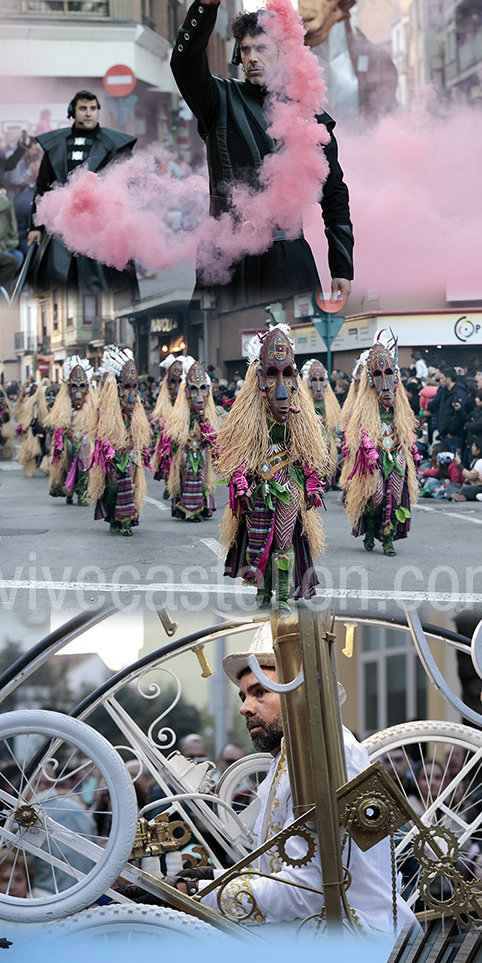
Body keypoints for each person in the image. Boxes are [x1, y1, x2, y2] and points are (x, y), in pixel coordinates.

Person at [193, 622, 415, 931]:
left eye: (260, 692)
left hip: (355, 942)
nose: (245, 708)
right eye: (243, 696)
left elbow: (306, 891)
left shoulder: (325, 754)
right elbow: (281, 874)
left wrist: (201, 894)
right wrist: (209, 881)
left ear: (299, 694)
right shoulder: (290, 756)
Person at [170, 0, 354, 303]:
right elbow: (183, 65)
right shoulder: (218, 100)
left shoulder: (311, 116)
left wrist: (341, 266)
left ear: (283, 54)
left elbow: (334, 196)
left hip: (288, 260)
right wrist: (204, 8)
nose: (252, 57)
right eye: (246, 49)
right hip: (227, 260)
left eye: (262, 48)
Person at [217, 324, 328, 612]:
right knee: (258, 539)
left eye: (287, 374)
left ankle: (282, 596)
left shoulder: (301, 415)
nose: (280, 386)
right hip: (259, 484)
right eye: (271, 373)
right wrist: (241, 483)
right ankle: (263, 590)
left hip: (287, 483)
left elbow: (308, 453)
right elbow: (238, 454)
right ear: (259, 377)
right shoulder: (248, 415)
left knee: (283, 538)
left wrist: (312, 482)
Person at [28, 90, 137, 295]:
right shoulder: (56, 145)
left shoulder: (115, 144)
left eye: (93, 108)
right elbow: (43, 186)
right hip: (61, 225)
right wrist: (35, 227)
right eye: (83, 108)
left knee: (104, 288)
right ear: (73, 111)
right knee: (59, 283)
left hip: (102, 229)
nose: (88, 113)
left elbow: (128, 186)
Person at [340, 335, 420, 556]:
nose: (385, 384)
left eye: (388, 373)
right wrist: (370, 450)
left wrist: (414, 450)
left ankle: (388, 540)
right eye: (377, 374)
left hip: (396, 454)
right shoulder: (366, 406)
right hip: (375, 456)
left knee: (395, 497)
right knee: (376, 498)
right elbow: (363, 430)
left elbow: (406, 430)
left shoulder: (401, 406)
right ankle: (370, 529)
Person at [88, 346, 152, 535]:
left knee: (130, 485)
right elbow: (101, 433)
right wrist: (110, 450)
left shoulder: (136, 408)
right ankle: (114, 519)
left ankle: (128, 521)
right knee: (113, 487)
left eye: (134, 387)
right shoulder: (106, 408)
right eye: (126, 387)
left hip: (130, 453)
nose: (131, 392)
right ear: (118, 387)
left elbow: (140, 431)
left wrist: (141, 446)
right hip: (113, 454)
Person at [161, 361, 219, 521]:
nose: (198, 396)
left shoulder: (210, 415)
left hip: (202, 450)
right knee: (185, 477)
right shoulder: (179, 415)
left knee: (202, 477)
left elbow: (213, 439)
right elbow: (174, 435)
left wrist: (204, 422)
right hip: (185, 449)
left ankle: (201, 508)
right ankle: (185, 508)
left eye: (202, 388)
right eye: (193, 389)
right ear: (187, 392)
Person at [45, 355, 95, 505]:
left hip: (84, 439)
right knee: (66, 464)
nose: (78, 391)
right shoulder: (64, 407)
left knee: (84, 464)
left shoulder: (92, 407)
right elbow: (57, 425)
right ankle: (68, 491)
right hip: (69, 439)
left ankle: (82, 494)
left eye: (82, 386)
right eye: (74, 386)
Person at [151, 355, 193, 492]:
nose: (176, 386)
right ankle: (170, 481)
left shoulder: (190, 395)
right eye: (172, 381)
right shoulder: (165, 400)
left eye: (179, 381)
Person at [300, 358, 342, 488]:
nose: (318, 386)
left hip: (326, 435)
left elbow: (334, 421)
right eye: (314, 380)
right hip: (311, 436)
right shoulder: (304, 400)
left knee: (326, 456)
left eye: (321, 380)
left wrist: (334, 436)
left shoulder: (330, 401)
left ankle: (323, 481)